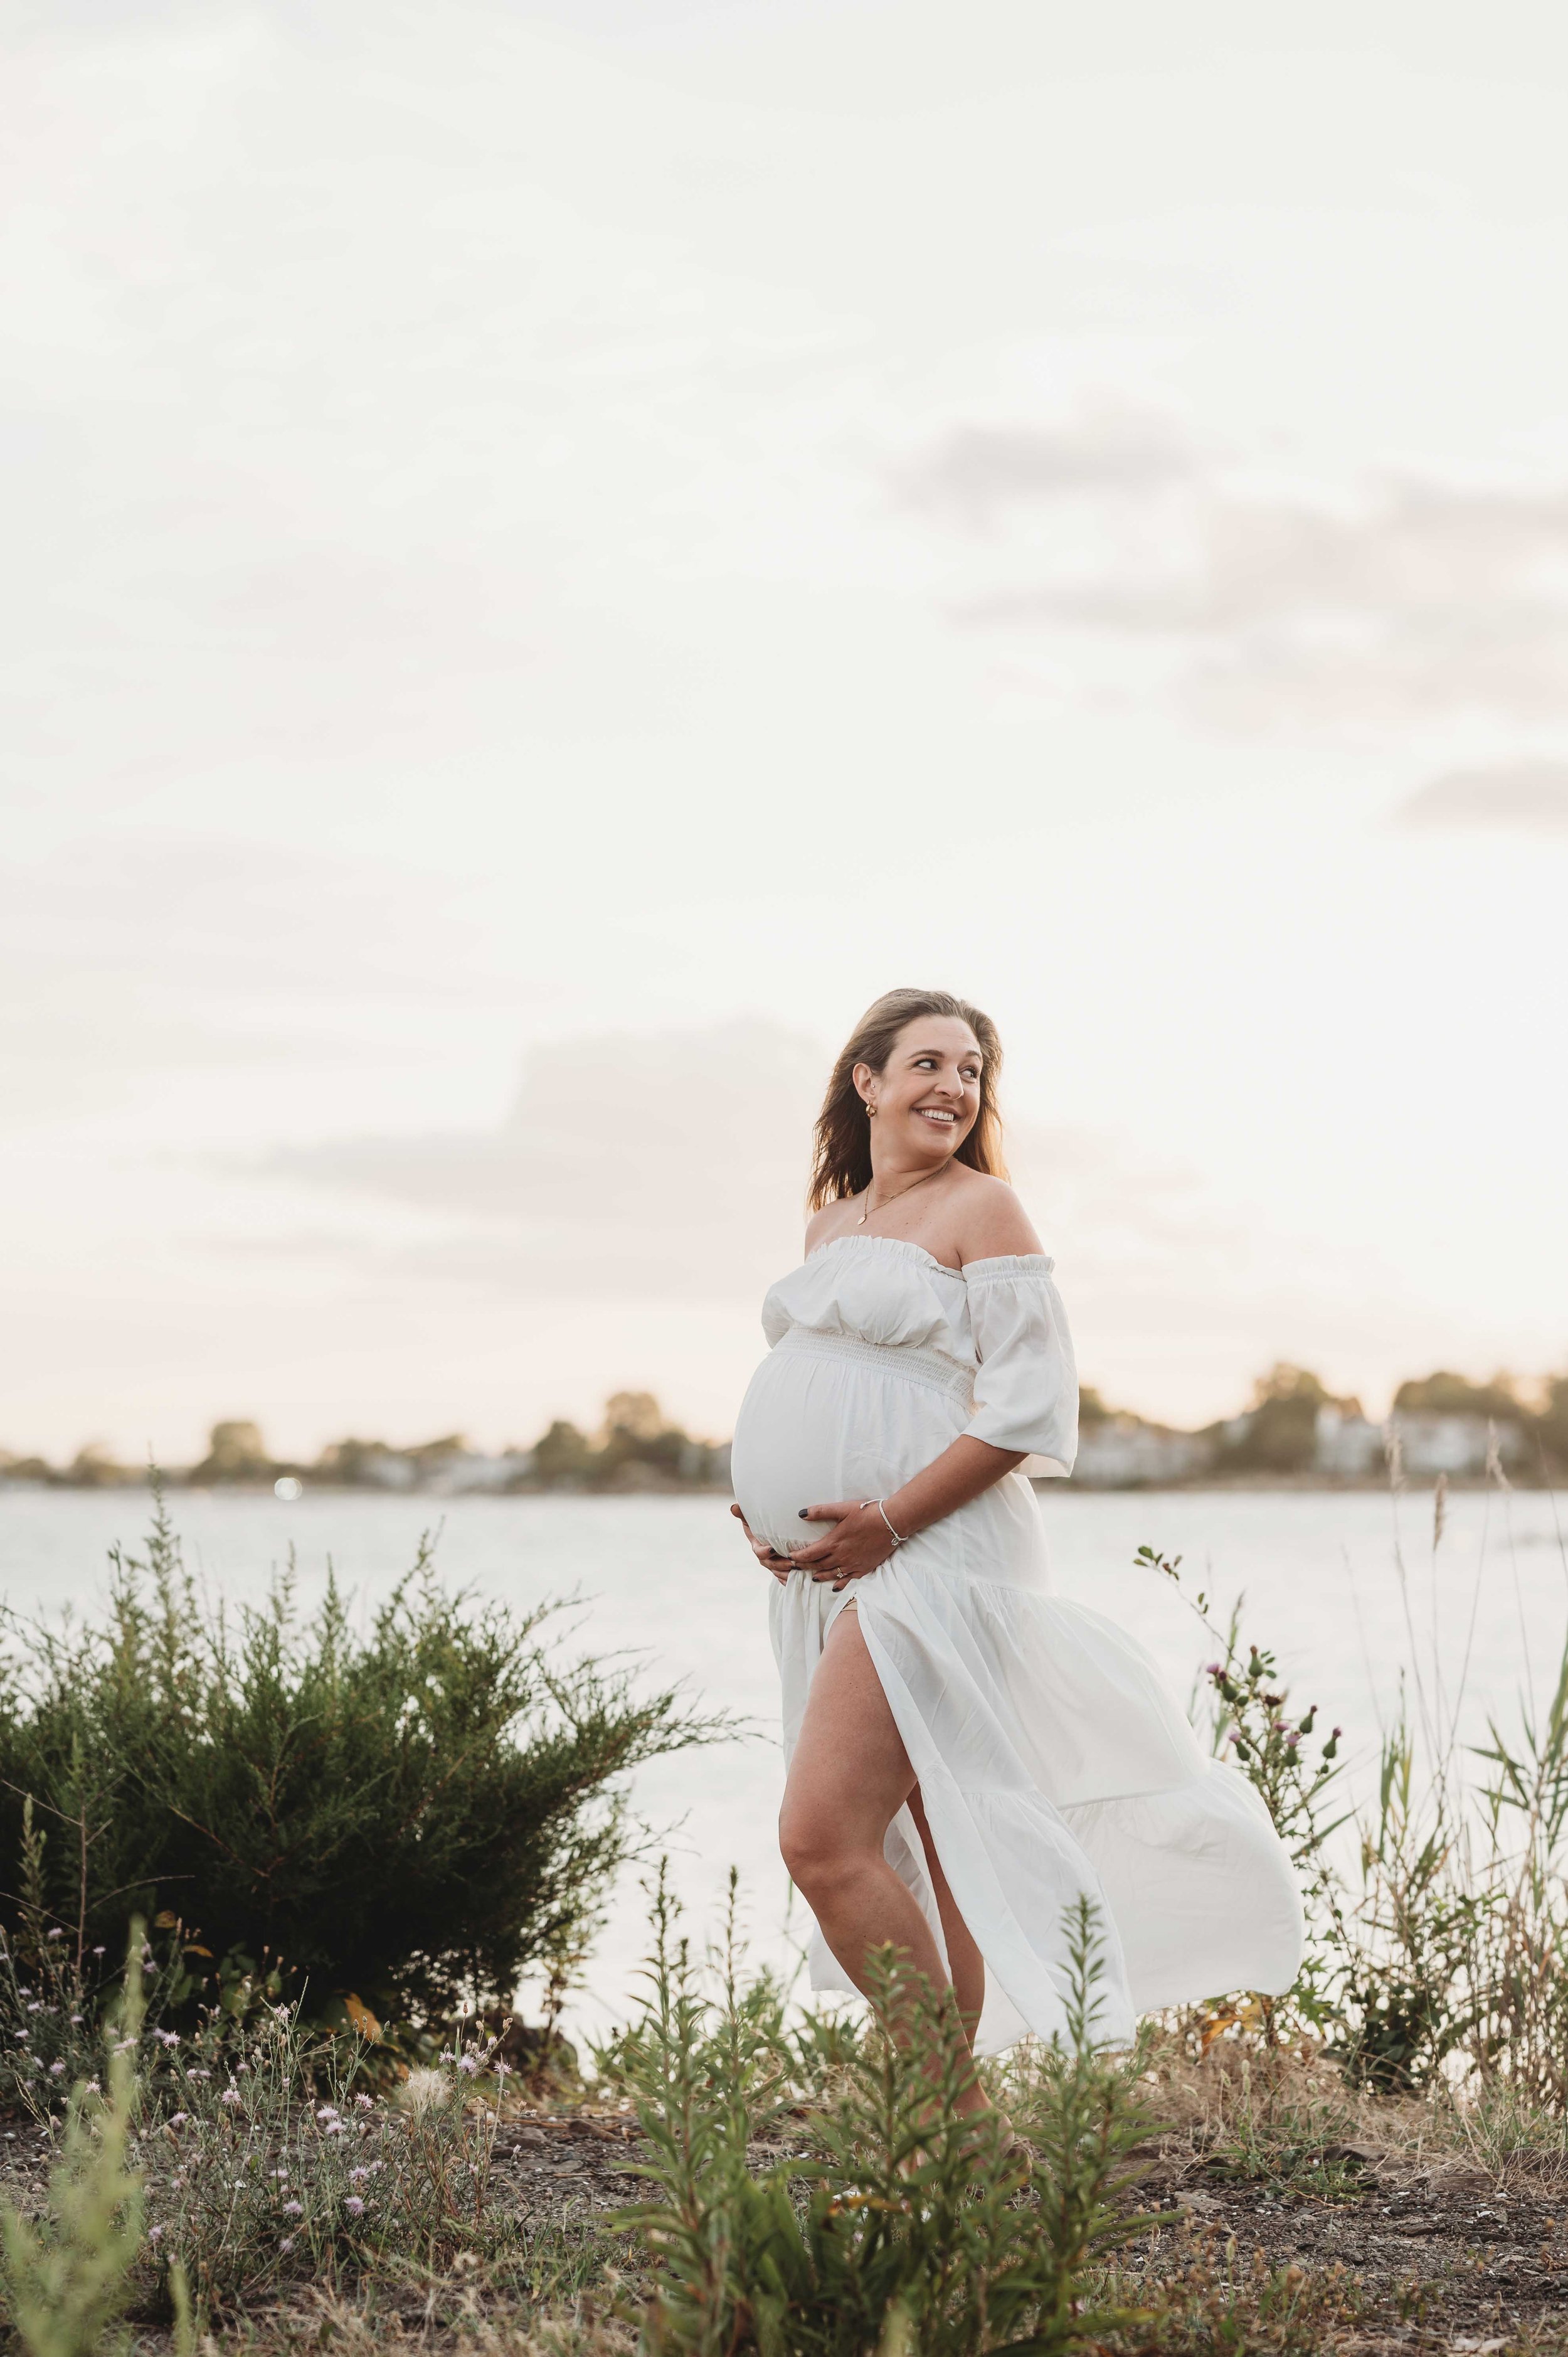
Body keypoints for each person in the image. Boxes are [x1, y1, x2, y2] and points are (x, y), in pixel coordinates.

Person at [730, 987, 1302, 2121]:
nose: (954, 1087)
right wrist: (773, 1511)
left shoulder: (984, 1208)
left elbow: (1028, 1411)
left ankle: (947, 2121)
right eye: (930, 1062)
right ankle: (956, 2135)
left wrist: (888, 1518)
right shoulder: (830, 1223)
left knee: (822, 1838)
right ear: (868, 1081)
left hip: (935, 1557)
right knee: (941, 1842)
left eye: (974, 1071)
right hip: (837, 1569)